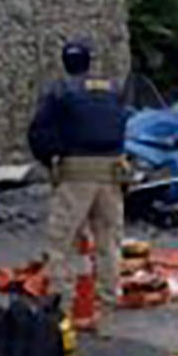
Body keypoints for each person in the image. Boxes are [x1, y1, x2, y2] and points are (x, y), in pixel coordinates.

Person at [28, 41, 128, 333]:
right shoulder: (112, 88)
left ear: (65, 63)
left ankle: (63, 313)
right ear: (89, 62)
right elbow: (123, 122)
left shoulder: (60, 91)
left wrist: (50, 160)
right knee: (109, 243)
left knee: (62, 242)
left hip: (75, 171)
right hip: (111, 169)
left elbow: (39, 131)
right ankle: (106, 313)